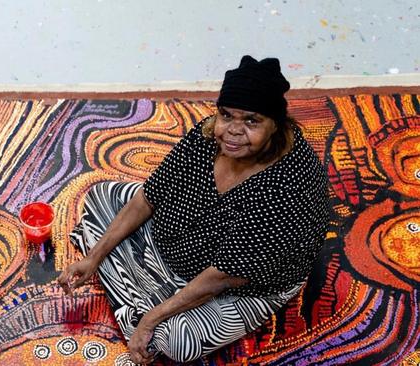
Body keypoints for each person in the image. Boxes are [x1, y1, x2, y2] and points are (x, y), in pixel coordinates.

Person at [58, 55, 329, 364]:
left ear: (275, 126)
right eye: (227, 115)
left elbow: (224, 277)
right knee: (100, 195)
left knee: (178, 342)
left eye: (252, 121)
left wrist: (150, 320)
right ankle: (149, 290)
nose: (233, 131)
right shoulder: (207, 135)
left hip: (239, 283)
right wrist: (93, 258)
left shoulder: (288, 183)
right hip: (182, 241)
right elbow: (149, 196)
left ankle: (148, 297)